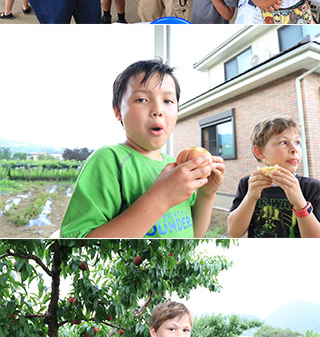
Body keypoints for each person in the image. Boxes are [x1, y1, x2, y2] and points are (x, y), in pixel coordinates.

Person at [60, 58, 225, 238]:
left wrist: (207, 194)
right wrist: (162, 196)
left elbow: (193, 236)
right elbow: (77, 242)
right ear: (117, 111)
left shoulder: (178, 166)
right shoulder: (109, 160)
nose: (157, 110)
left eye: (168, 101)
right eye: (141, 99)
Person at [228, 117, 320, 238]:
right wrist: (251, 197)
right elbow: (234, 232)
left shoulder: (311, 187)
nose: (294, 150)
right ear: (259, 152)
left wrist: (300, 203)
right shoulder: (248, 184)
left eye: (297, 142)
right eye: (283, 142)